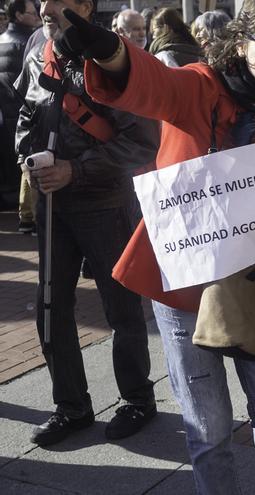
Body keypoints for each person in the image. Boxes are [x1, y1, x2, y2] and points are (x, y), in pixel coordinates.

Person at [68, 0, 255, 492]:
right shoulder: (203, 87)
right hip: (185, 281)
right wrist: (109, 51)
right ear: (241, 43)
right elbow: (153, 85)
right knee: (208, 429)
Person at [14, 0, 160, 448]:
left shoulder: (110, 56)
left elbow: (142, 142)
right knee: (50, 306)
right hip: (52, 205)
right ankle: (71, 406)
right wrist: (26, 157)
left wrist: (75, 170)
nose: (42, 6)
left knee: (121, 308)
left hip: (105, 204)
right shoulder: (38, 47)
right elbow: (26, 109)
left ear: (82, 5)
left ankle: (137, 399)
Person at [0, 0, 39, 218]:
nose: (37, 17)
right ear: (17, 15)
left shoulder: (2, 40)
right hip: (23, 111)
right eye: (32, 13)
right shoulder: (28, 42)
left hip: (6, 112)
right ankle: (28, 214)